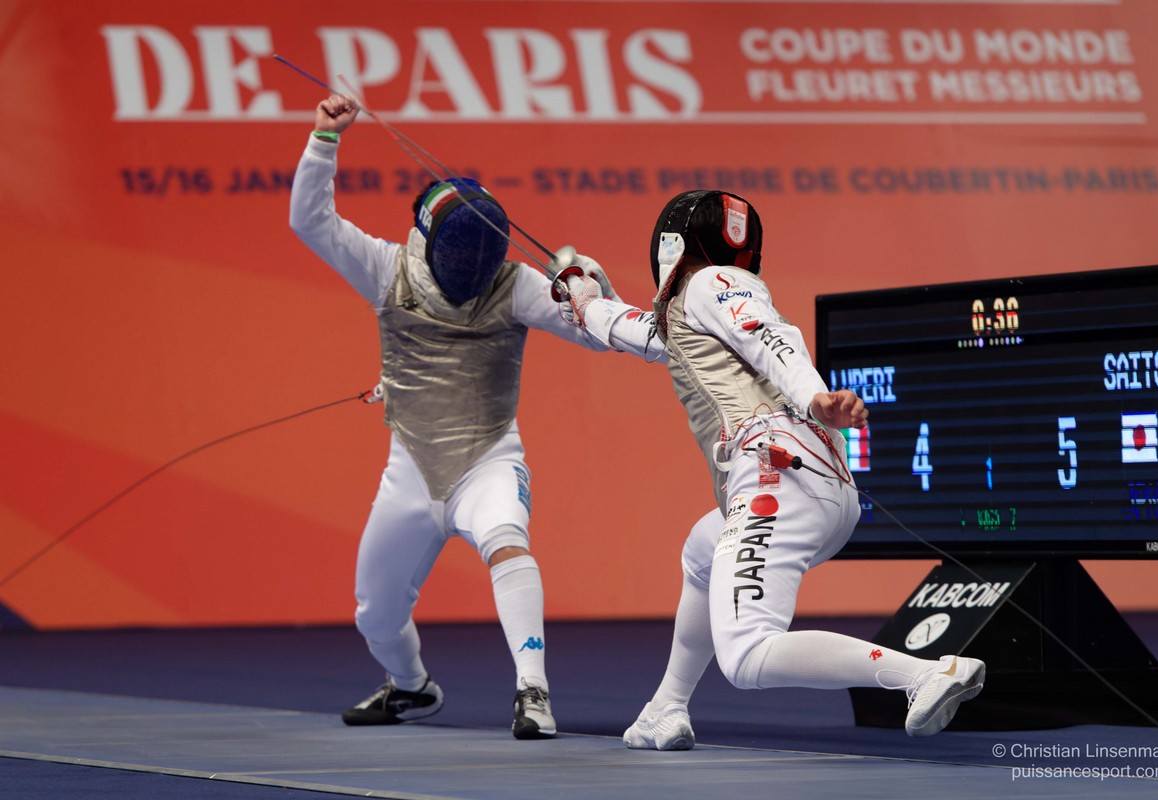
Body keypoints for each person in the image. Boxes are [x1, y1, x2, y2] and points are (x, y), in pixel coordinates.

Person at [560, 190, 985, 748]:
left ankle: (927, 674)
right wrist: (587, 301)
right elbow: (639, 331)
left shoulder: (710, 285)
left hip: (774, 479)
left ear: (671, 245)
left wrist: (815, 398)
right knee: (702, 551)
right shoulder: (692, 310)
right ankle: (665, 708)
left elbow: (770, 337)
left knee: (746, 656)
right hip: (814, 486)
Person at [289, 93, 621, 739]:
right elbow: (310, 220)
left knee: (507, 542)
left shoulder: (517, 283)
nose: (471, 269)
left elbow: (598, 335)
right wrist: (324, 139)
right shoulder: (386, 269)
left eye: (481, 257)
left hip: (488, 459)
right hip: (410, 471)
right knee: (375, 611)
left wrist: (588, 287)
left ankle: (533, 692)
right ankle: (412, 687)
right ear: (432, 241)